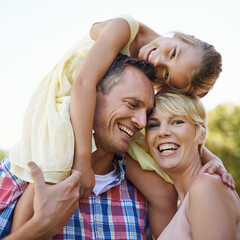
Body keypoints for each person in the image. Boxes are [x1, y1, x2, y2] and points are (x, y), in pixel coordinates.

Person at [8, 15, 223, 197]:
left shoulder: (149, 75)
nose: (158, 61)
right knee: (54, 169)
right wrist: (82, 161)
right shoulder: (124, 28)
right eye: (173, 52)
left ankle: (191, 210)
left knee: (163, 190)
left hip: (105, 118)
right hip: (66, 102)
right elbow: (84, 83)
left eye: (166, 73)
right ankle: (25, 226)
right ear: (184, 37)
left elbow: (184, 120)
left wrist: (212, 160)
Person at [1, 54, 168, 239]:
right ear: (92, 95)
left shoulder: (145, 193)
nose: (142, 122)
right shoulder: (18, 172)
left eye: (147, 112)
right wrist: (39, 227)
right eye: (132, 104)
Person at [126, 90, 240, 239]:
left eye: (177, 122)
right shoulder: (180, 203)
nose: (163, 132)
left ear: (201, 134)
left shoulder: (207, 186)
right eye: (154, 125)